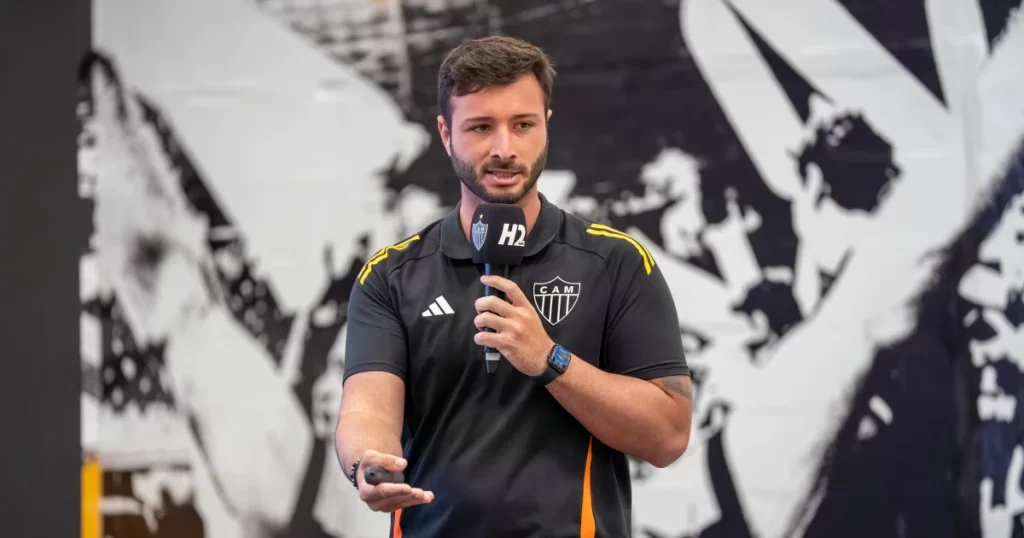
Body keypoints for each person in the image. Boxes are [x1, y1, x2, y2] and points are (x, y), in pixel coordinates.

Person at [334, 35, 693, 538]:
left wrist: (550, 360)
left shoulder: (616, 262)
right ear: (445, 133)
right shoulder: (391, 275)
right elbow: (367, 407)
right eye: (481, 127)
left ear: (546, 123)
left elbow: (668, 435)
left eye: (523, 125)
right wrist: (368, 462)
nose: (504, 149)